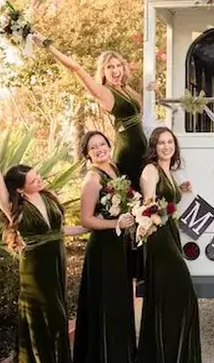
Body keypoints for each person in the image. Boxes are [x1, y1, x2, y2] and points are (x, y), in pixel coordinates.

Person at [0, 123, 88, 363]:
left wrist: (96, 228)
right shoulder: (13, 207)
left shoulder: (48, 198)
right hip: (35, 269)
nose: (39, 180)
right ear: (20, 190)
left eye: (38, 176)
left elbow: (59, 231)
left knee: (58, 319)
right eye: (33, 180)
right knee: (43, 320)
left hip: (56, 262)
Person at [45, 44, 155, 289]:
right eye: (109, 67)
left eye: (118, 66)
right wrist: (47, 45)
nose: (115, 71)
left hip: (142, 152)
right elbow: (75, 69)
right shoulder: (105, 93)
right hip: (128, 154)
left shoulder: (125, 89)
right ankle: (137, 268)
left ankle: (143, 264)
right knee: (135, 206)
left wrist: (151, 91)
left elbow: (144, 106)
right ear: (103, 72)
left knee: (146, 205)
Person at [135, 127, 202, 363]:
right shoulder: (151, 170)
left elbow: (166, 201)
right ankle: (164, 362)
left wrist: (179, 188)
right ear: (154, 146)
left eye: (170, 142)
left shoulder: (168, 171)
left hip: (169, 231)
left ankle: (174, 360)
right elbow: (149, 205)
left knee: (170, 295)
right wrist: (154, 215)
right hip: (158, 236)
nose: (166, 146)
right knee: (182, 292)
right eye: (161, 143)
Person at [73, 131, 138, 363]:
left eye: (102, 144)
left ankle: (123, 361)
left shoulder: (114, 168)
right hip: (104, 247)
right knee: (107, 302)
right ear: (87, 153)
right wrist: (115, 223)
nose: (99, 149)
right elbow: (86, 219)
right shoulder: (92, 178)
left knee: (122, 300)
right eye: (93, 147)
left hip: (120, 243)